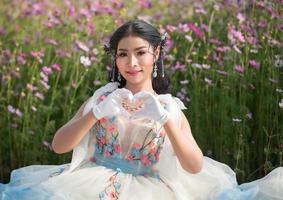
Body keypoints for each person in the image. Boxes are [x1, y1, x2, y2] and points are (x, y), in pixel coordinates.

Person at [0, 19, 282, 200]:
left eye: (140, 52)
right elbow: (59, 146)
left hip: (149, 190)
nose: (131, 62)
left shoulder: (168, 106)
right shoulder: (102, 97)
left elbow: (194, 165)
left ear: (156, 54)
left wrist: (165, 119)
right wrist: (96, 113)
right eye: (123, 54)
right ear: (115, 58)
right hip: (88, 183)